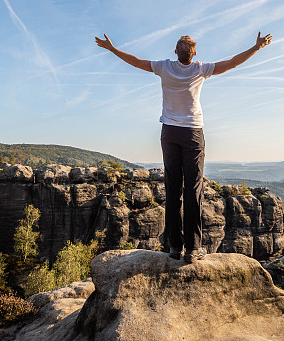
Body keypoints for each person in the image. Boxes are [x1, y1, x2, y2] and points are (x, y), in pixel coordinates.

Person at [94, 32, 273, 262]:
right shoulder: (201, 69)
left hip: (169, 133)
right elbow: (231, 63)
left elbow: (136, 61)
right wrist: (256, 48)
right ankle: (192, 248)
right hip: (193, 134)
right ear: (195, 53)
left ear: (175, 52)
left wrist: (113, 49)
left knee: (173, 189)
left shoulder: (164, 67)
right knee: (193, 190)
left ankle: (175, 248)